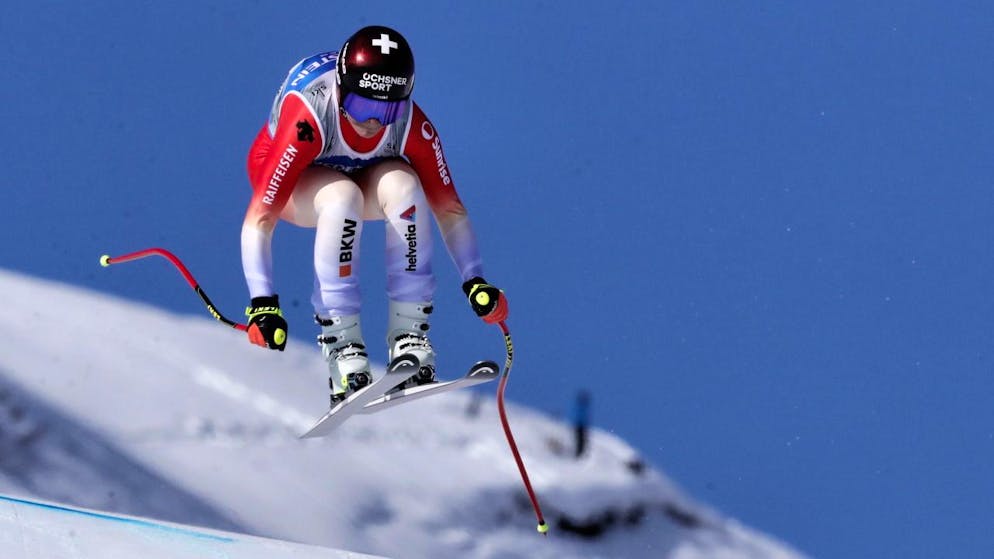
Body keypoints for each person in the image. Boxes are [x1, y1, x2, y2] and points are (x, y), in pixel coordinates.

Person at [239, 25, 508, 406]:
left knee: (405, 185)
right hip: (295, 181)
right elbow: (259, 220)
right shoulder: (309, 114)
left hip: (360, 172)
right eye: (363, 107)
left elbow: (450, 208)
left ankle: (409, 336)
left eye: (388, 109)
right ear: (341, 90)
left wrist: (475, 279)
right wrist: (263, 301)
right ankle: (342, 346)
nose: (373, 122)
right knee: (340, 196)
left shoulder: (412, 125)